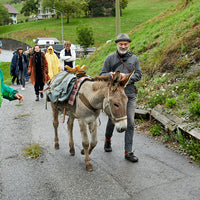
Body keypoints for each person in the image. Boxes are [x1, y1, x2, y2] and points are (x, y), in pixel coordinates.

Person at [100, 33, 142, 163]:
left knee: (130, 122)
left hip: (129, 95)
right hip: (114, 96)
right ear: (117, 44)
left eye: (125, 44)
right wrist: (110, 75)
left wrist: (127, 78)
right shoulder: (110, 58)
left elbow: (139, 75)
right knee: (113, 119)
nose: (123, 46)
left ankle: (128, 152)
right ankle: (107, 140)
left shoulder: (134, 59)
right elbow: (102, 74)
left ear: (128, 44)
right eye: (121, 44)